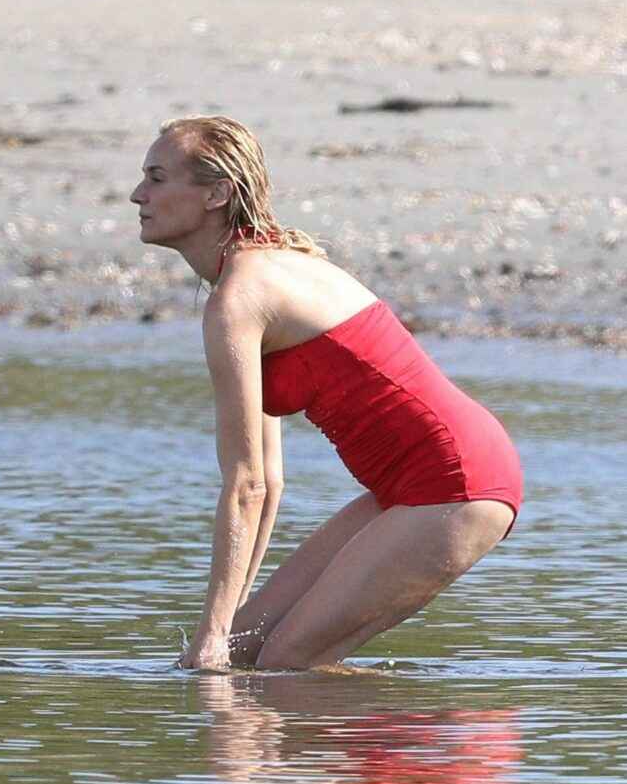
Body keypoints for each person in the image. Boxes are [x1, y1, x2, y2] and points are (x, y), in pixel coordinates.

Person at [130, 115, 523, 671]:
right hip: (408, 486)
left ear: (216, 194)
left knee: (284, 661)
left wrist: (208, 635)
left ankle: (435, 734)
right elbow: (267, 482)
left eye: (156, 178)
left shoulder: (240, 298)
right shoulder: (252, 276)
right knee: (245, 652)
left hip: (455, 482)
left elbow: (244, 486)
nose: (137, 195)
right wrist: (225, 628)